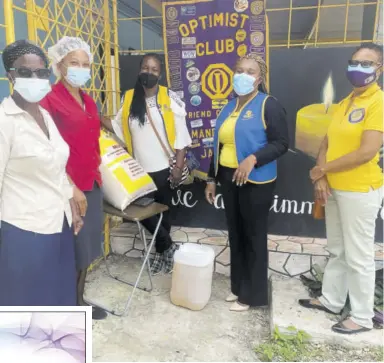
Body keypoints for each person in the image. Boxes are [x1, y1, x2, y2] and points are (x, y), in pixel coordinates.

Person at [299, 43, 383, 334]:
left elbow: (367, 152)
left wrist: (323, 170)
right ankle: (331, 300)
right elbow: (326, 143)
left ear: (379, 69)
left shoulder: (377, 103)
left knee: (359, 254)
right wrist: (321, 177)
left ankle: (361, 317)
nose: (358, 69)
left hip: (359, 189)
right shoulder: (347, 101)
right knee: (337, 249)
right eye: (354, 62)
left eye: (366, 63)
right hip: (333, 188)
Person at [0, 40, 83, 306]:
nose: (35, 78)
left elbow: (56, 168)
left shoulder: (45, 116)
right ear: (10, 75)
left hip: (58, 225)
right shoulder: (5, 122)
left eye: (41, 72)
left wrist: (71, 203)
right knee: (27, 312)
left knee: (58, 302)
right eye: (25, 72)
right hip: (23, 234)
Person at [205, 54, 289, 312]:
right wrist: (211, 179)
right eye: (239, 70)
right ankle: (238, 287)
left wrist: (253, 158)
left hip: (256, 181)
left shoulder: (268, 105)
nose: (243, 75)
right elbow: (219, 146)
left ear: (259, 79)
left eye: (250, 72)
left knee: (253, 236)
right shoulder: (228, 107)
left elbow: (281, 144)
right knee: (236, 233)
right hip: (229, 178)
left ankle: (253, 296)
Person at [102, 53, 192, 275]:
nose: (149, 73)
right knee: (142, 214)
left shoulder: (169, 99)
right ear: (139, 70)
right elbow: (118, 127)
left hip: (165, 170)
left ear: (160, 74)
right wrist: (92, 116)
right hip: (138, 172)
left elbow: (181, 138)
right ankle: (168, 247)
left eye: (154, 69)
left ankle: (163, 254)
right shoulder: (130, 98)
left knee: (163, 214)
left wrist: (178, 168)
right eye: (145, 68)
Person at [40, 37, 107, 320]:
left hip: (90, 183)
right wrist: (70, 187)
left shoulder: (88, 100)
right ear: (59, 65)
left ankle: (78, 301)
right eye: (73, 63)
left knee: (85, 249)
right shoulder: (49, 100)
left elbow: (93, 142)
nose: (80, 69)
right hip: (65, 188)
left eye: (85, 64)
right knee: (67, 250)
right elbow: (46, 148)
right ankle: (64, 305)